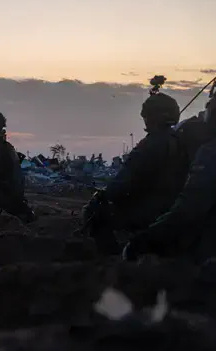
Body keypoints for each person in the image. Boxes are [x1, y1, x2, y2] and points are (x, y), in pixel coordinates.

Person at [81, 75, 189, 254]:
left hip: (149, 210)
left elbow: (125, 182)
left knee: (96, 210)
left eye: (147, 115)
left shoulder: (152, 145)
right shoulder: (179, 141)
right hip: (170, 206)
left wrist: (104, 195)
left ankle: (113, 258)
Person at [122, 91, 216, 264]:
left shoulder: (209, 153)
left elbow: (189, 209)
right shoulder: (185, 143)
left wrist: (143, 241)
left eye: (212, 101)